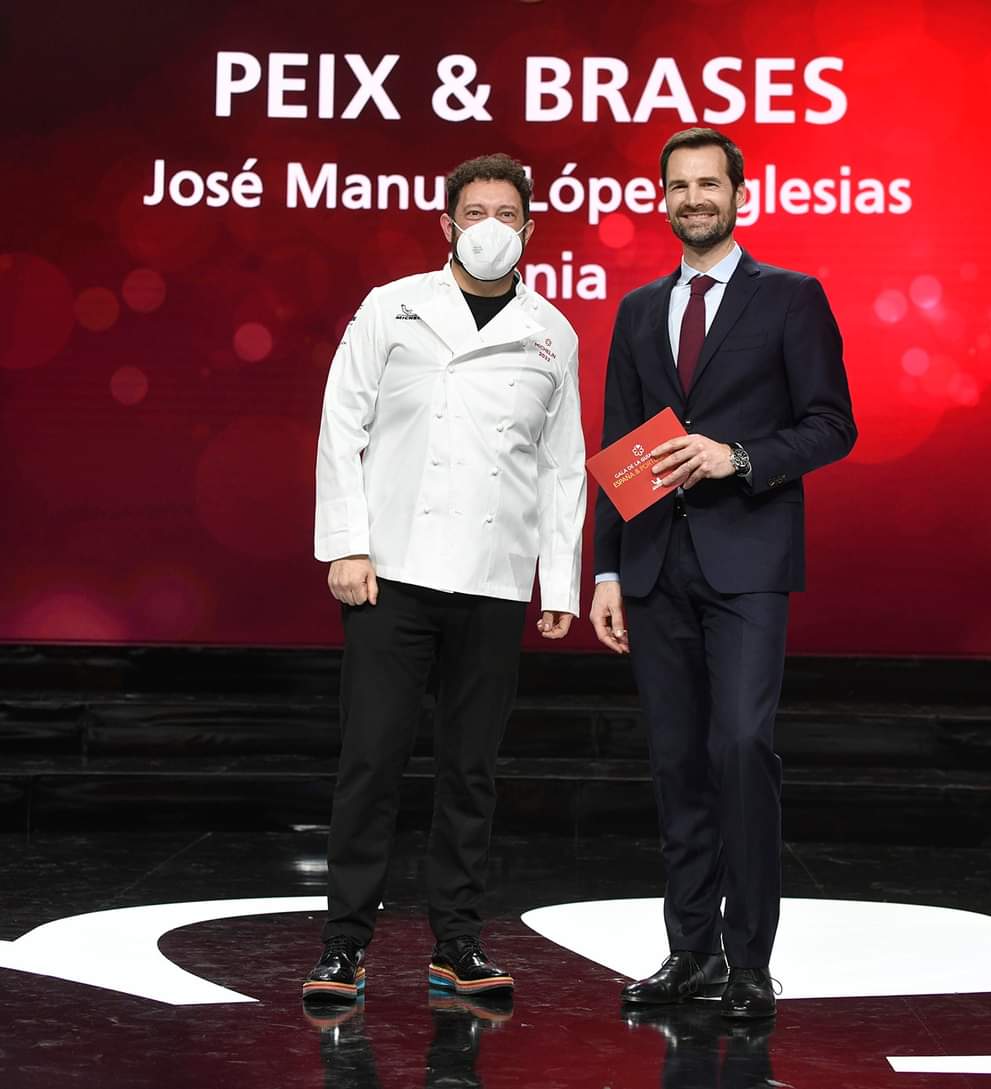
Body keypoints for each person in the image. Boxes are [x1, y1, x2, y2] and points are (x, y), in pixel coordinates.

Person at [305, 153, 586, 1002]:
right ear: (448, 224)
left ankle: (458, 942)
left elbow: (562, 466)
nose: (490, 227)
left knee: (471, 768)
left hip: (494, 580)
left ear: (530, 228)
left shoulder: (553, 332)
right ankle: (343, 946)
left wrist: (559, 583)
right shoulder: (391, 306)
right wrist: (345, 545)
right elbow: (341, 423)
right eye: (475, 212)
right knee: (371, 760)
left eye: (506, 213)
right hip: (390, 572)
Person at [590, 128, 856, 1017]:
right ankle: (691, 954)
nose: (694, 198)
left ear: (741, 194)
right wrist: (605, 571)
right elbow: (620, 444)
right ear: (662, 198)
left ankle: (749, 962)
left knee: (740, 748)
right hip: (654, 565)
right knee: (677, 762)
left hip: (748, 562)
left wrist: (736, 457)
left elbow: (832, 425)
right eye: (679, 185)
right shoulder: (637, 310)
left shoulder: (791, 297)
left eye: (709, 183)